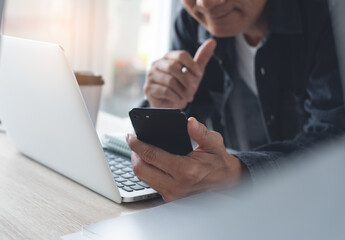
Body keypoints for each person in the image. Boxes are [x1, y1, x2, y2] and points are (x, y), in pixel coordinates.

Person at [126, 0, 345, 201]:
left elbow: (335, 145)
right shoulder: (191, 23)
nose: (205, 3)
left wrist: (237, 173)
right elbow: (185, 126)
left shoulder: (332, 16)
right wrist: (165, 106)